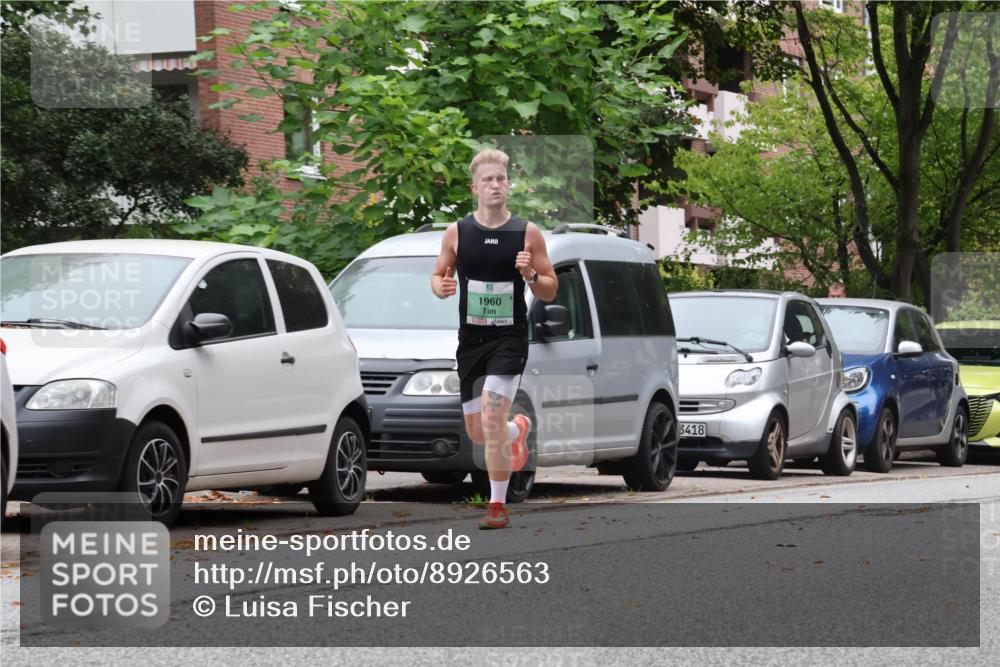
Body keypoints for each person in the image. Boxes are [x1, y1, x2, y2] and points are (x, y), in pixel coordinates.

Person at [431, 149, 558, 529]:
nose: (496, 185)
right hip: (471, 340)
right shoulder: (457, 232)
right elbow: (438, 275)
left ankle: (497, 506)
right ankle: (517, 429)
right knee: (479, 431)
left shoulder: (526, 233)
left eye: (501, 178)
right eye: (488, 179)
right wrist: (443, 287)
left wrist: (531, 278)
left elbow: (551, 288)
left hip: (509, 338)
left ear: (508, 185)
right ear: (475, 187)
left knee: (490, 416)